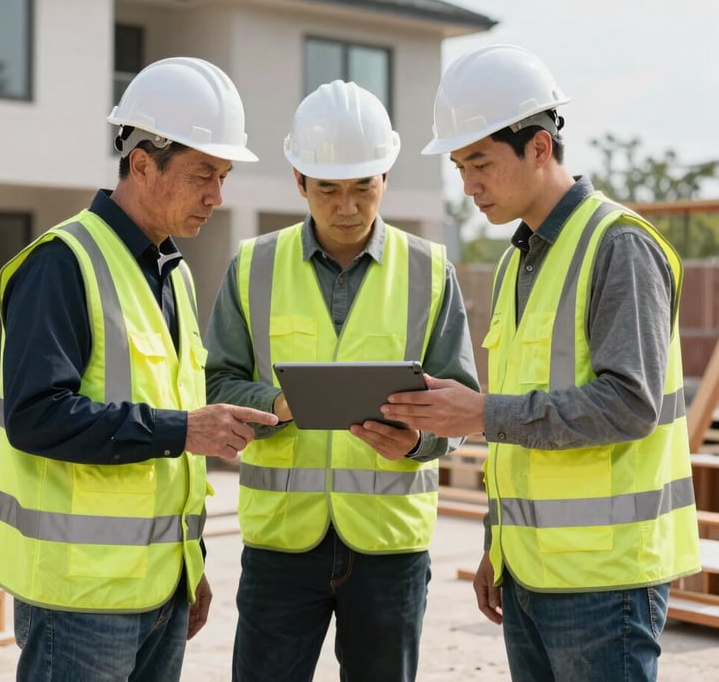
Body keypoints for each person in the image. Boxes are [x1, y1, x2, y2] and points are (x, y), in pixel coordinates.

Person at [379, 44, 702, 681]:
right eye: (458, 166)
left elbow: (628, 406)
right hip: (530, 574)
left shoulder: (620, 246)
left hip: (606, 581)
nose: (468, 185)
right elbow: (521, 429)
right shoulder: (517, 261)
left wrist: (478, 411)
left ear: (539, 146)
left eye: (480, 163)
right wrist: (497, 545)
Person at [0, 57, 279, 682]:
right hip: (79, 603)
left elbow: (177, 442)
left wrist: (189, 569)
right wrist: (183, 429)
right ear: (143, 161)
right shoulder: (61, 263)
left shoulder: (172, 275)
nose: (217, 196)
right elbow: (35, 418)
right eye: (204, 173)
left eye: (224, 176)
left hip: (159, 593)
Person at [204, 79, 480, 682]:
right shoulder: (252, 266)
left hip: (388, 548)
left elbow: (458, 406)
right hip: (281, 544)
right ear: (299, 180)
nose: (347, 207)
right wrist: (276, 403)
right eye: (328, 189)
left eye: (363, 187)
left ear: (387, 175)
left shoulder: (430, 271)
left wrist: (416, 443)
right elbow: (216, 384)